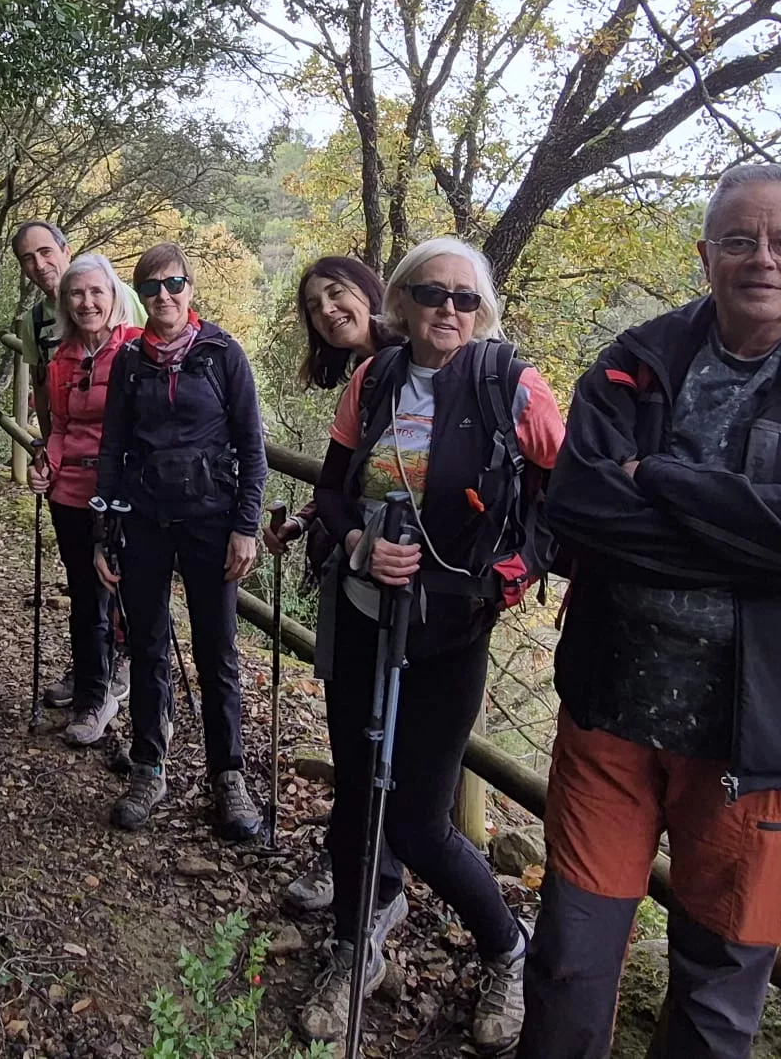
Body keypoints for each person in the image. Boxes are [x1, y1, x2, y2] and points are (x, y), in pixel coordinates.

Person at [518, 162, 781, 1059]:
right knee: (569, 963)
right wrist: (776, 538)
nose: (761, 259)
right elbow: (578, 508)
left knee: (718, 990)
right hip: (610, 714)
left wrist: (657, 480)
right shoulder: (634, 363)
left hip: (761, 739)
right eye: (739, 240)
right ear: (706, 256)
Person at [300, 238, 564, 1053]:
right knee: (355, 797)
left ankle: (506, 949)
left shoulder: (511, 385)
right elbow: (332, 496)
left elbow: (568, 497)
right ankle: (356, 947)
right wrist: (354, 548)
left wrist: (512, 576)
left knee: (418, 819)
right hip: (363, 614)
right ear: (403, 302)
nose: (447, 310)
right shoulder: (372, 380)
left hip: (450, 631)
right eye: (430, 294)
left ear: (481, 308)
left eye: (463, 298)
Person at [94, 243, 268, 839]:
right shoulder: (129, 362)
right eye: (150, 288)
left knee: (217, 652)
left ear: (191, 287)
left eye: (173, 284)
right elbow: (112, 451)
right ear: (138, 297)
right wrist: (104, 533)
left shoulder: (222, 354)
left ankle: (229, 776)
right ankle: (149, 765)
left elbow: (252, 446)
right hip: (143, 522)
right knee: (147, 645)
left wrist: (246, 526)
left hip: (211, 521)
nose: (163, 297)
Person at [261, 256, 404, 917]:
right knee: (354, 725)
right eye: (315, 307)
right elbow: (351, 479)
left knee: (383, 730)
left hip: (404, 585)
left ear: (368, 289)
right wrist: (313, 519)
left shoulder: (418, 362)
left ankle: (378, 875)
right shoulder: (364, 374)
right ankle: (349, 855)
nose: (327, 311)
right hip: (353, 573)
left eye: (335, 293)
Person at [10, 221, 141, 710]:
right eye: (29, 258)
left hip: (125, 485)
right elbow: (53, 412)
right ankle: (93, 679)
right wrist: (48, 460)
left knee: (125, 587)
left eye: (46, 252)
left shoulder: (131, 341)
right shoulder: (50, 342)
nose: (87, 303)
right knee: (85, 590)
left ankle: (126, 675)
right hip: (72, 480)